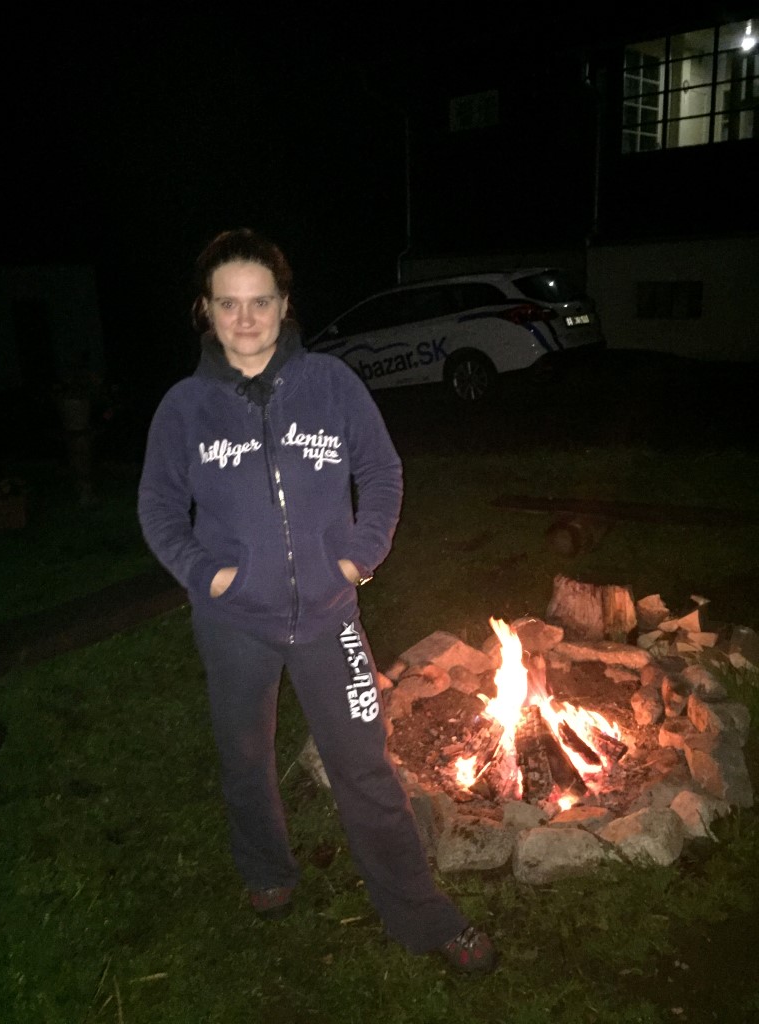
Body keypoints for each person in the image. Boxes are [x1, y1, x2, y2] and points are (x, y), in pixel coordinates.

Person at [137, 228, 496, 974]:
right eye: (228, 304)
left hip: (331, 617)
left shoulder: (332, 384)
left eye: (260, 301)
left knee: (366, 768)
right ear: (205, 310)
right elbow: (160, 509)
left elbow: (382, 473)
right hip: (233, 623)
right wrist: (209, 577)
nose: (245, 318)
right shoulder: (185, 408)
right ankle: (266, 867)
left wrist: (359, 558)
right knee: (245, 756)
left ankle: (422, 913)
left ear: (284, 304)